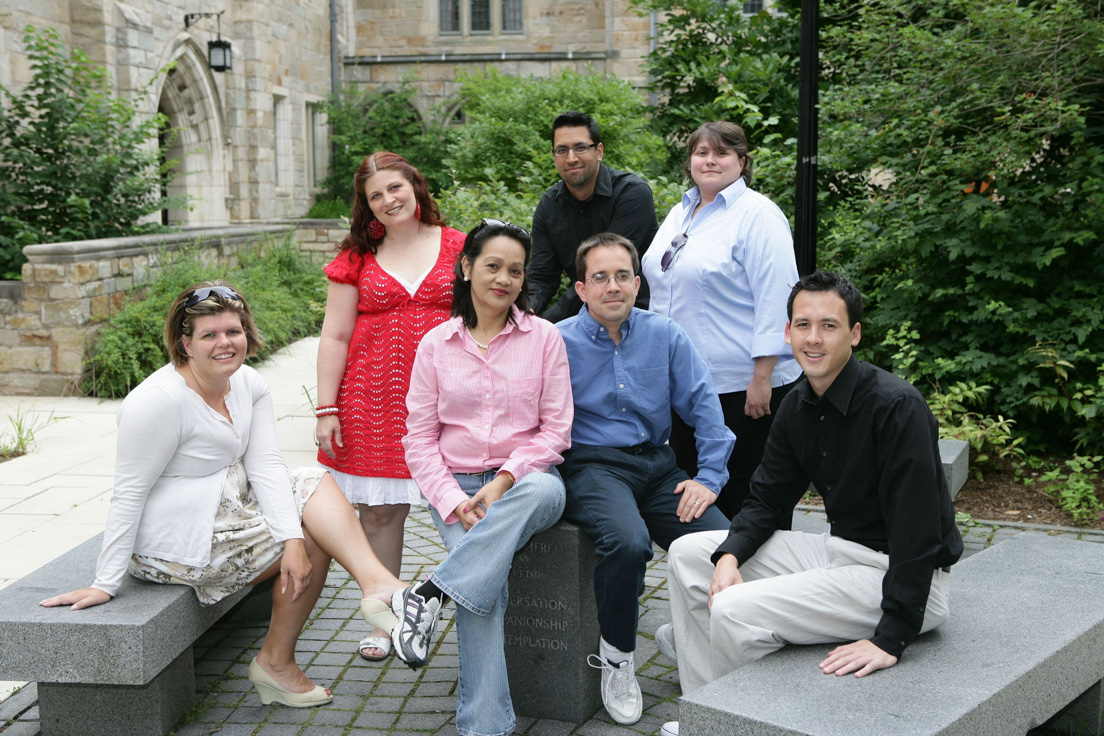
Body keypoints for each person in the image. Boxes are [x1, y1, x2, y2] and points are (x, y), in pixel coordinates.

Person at [40, 281, 412, 708]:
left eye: (232, 331)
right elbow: (128, 494)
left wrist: (289, 539)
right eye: (209, 335)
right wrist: (105, 583)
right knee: (314, 540)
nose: (224, 343)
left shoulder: (248, 382)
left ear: (246, 332)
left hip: (233, 513)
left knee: (312, 483)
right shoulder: (159, 402)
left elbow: (267, 466)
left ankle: (377, 585)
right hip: (177, 541)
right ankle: (279, 662)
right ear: (185, 343)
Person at [658, 272, 964, 736]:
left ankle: (730, 714)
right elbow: (766, 498)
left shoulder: (896, 406)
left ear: (854, 334)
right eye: (802, 325)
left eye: (829, 325)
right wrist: (730, 556)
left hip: (898, 578)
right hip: (840, 553)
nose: (813, 339)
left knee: (732, 608)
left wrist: (891, 637)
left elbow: (918, 527)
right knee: (689, 553)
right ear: (787, 332)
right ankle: (707, 709)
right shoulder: (798, 404)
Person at [398, 219, 574, 736]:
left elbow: (556, 431)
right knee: (485, 592)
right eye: (493, 265)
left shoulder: (544, 338)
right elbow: (419, 438)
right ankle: (485, 729)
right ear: (467, 267)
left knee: (541, 486)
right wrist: (454, 500)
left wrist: (501, 482)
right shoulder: (435, 344)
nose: (504, 279)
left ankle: (431, 591)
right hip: (454, 486)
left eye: (516, 270)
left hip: (525, 483)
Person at [555, 232, 734, 725]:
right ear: (581, 288)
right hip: (594, 466)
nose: (612, 286)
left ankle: (687, 635)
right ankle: (616, 660)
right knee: (629, 543)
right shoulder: (557, 342)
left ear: (637, 282)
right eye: (599, 278)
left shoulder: (665, 334)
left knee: (723, 542)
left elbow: (706, 409)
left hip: (659, 467)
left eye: (621, 276)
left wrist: (709, 477)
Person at [314, 151, 465, 661]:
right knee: (380, 514)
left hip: (451, 400)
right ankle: (385, 616)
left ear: (415, 187)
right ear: (366, 207)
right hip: (372, 401)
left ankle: (467, 607)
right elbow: (335, 336)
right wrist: (325, 408)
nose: (387, 200)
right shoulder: (355, 257)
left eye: (395, 188)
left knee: (464, 507)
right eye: (375, 195)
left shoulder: (461, 247)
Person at [641, 121, 802, 519]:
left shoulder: (759, 216)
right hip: (684, 385)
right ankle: (709, 576)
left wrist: (762, 378)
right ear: (690, 161)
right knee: (696, 497)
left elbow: (778, 299)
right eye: (701, 152)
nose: (710, 160)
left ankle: (756, 579)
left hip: (742, 389)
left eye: (722, 153)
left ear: (741, 161)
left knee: (746, 497)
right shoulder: (682, 212)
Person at [529, 110, 659, 322]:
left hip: (637, 317)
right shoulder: (549, 206)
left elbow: (604, 270)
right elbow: (543, 276)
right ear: (554, 156)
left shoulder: (632, 194)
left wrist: (549, 323)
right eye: (562, 150)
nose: (571, 158)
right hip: (584, 321)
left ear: (599, 151)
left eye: (580, 148)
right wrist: (526, 314)